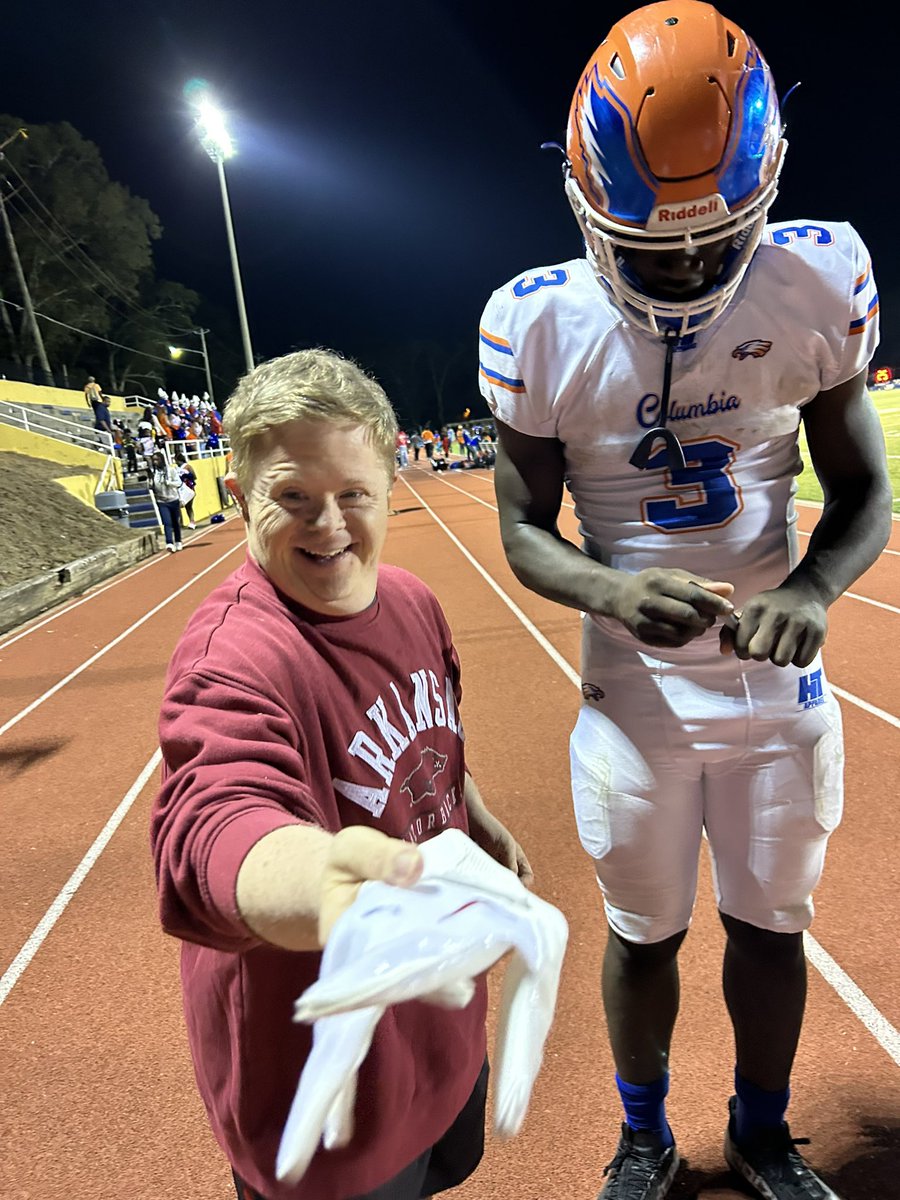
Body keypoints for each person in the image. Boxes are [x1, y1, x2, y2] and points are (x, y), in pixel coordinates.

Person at [476, 4, 893, 1199]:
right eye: (654, 250)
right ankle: (644, 1133)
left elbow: (868, 493)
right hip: (634, 698)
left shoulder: (814, 280)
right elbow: (519, 528)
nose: (690, 272)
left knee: (773, 929)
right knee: (641, 934)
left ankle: (761, 1133)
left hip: (779, 689)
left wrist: (814, 587)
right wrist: (610, 585)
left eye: (716, 247)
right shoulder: (539, 321)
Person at [150, 348, 532, 1200]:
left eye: (352, 494)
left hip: (435, 1019)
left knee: (445, 1165)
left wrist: (475, 816)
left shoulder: (411, 600)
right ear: (240, 496)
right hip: (323, 1087)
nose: (328, 525)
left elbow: (439, 732)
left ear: (389, 487)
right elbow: (218, 818)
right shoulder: (236, 657)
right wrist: (333, 886)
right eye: (292, 497)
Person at [148, 449, 184, 552]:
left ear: (161, 460)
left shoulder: (170, 470)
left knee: (175, 522)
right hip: (162, 501)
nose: (155, 462)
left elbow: (179, 483)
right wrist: (150, 481)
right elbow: (151, 486)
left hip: (173, 499)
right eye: (153, 460)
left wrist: (169, 483)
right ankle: (169, 542)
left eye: (157, 460)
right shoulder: (153, 472)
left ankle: (178, 541)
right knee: (167, 522)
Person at [173, 449, 198, 529]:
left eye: (176, 461)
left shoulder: (188, 467)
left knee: (189, 506)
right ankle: (180, 523)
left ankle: (192, 522)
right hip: (179, 489)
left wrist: (186, 477)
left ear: (179, 460)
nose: (176, 462)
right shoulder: (176, 468)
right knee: (178, 506)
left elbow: (194, 477)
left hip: (188, 488)